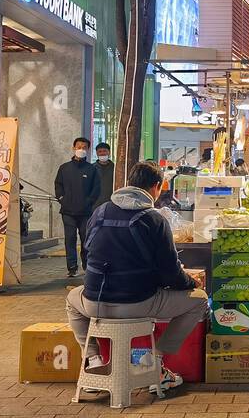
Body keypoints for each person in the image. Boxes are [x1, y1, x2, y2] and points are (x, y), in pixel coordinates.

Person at [65, 161, 208, 397]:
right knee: (199, 300)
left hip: (94, 301)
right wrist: (192, 282)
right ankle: (156, 365)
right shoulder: (154, 219)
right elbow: (171, 274)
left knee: (72, 300)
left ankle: (93, 361)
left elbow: (87, 254)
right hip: (138, 302)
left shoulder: (99, 211)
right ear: (155, 187)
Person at [55, 136, 101, 277]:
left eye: (84, 147)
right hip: (67, 211)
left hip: (85, 212)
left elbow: (96, 188)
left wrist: (89, 201)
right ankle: (72, 267)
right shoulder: (64, 168)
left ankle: (87, 265)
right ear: (74, 148)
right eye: (79, 147)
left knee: (86, 238)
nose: (81, 149)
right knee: (70, 239)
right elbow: (58, 185)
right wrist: (62, 199)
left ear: (88, 149)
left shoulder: (92, 169)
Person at [92, 142, 114, 209]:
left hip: (111, 203)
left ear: (109, 152)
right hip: (95, 204)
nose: (102, 153)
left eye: (105, 151)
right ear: (96, 153)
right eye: (100, 151)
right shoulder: (91, 168)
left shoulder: (116, 168)